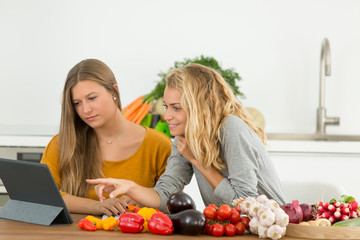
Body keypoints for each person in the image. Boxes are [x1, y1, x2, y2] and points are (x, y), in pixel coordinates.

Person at [87, 63, 286, 213]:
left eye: (176, 108)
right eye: (167, 106)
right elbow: (165, 195)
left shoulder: (231, 128)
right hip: (231, 230)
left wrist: (197, 161)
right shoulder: (183, 138)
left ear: (199, 108)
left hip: (270, 230)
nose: (167, 116)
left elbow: (245, 204)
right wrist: (130, 187)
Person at [41, 59, 171, 216]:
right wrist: (97, 206)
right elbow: (43, 196)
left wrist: (144, 200)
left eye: (92, 98)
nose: (86, 110)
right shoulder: (62, 144)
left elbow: (172, 202)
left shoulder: (158, 145)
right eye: (77, 103)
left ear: (113, 91)